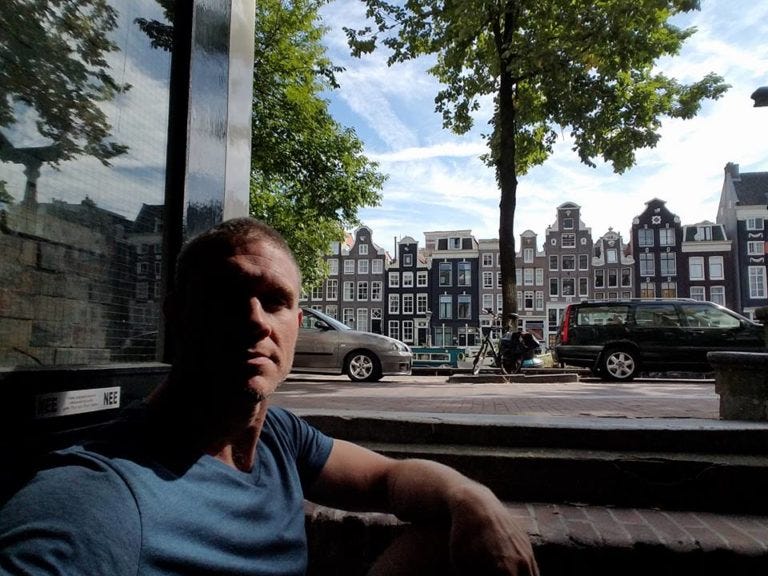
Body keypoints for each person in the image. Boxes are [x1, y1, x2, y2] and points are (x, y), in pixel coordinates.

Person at [0, 217, 538, 576]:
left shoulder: (276, 435)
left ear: (297, 326)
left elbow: (388, 477)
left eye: (275, 301)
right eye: (226, 296)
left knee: (443, 532)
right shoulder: (100, 495)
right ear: (176, 316)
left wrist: (472, 498)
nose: (256, 320)